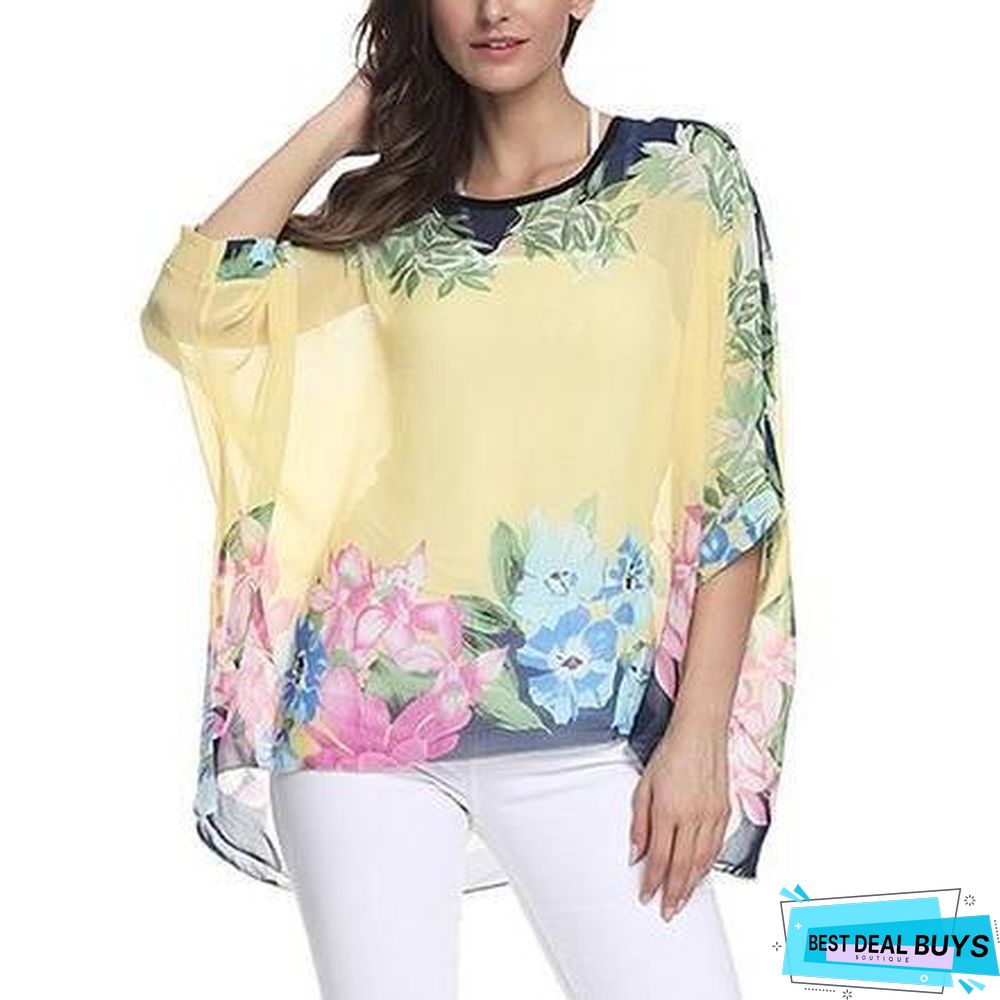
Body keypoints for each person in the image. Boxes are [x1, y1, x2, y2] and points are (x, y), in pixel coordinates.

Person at [139, 1, 797, 996]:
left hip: (596, 730)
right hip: (361, 714)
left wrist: (699, 733)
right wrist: (347, 116)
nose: (493, 10)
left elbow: (735, 471)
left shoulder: (682, 177)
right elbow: (192, 308)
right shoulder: (387, 216)